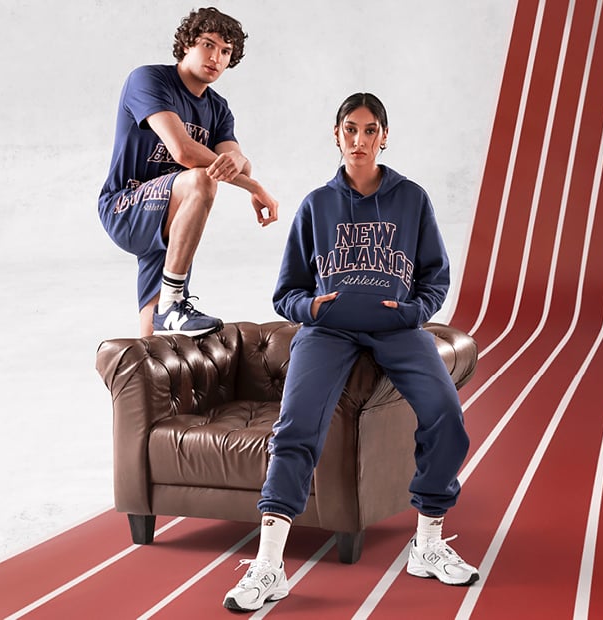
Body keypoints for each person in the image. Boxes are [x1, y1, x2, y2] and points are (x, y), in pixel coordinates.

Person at [222, 93, 479, 613]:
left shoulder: (413, 199)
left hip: (397, 329)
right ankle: (269, 565)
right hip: (328, 332)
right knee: (296, 426)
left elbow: (435, 276)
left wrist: (413, 311)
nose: (359, 140)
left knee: (446, 416)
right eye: (350, 129)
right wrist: (312, 308)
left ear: (384, 136)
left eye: (370, 130)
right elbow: (286, 293)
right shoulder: (317, 204)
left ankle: (428, 544)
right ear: (336, 135)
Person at [99, 7, 278, 338]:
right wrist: (254, 187)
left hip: (172, 212)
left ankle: (165, 311)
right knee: (201, 179)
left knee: (156, 341)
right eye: (208, 45)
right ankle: (172, 301)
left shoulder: (218, 108)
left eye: (225, 51)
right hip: (125, 205)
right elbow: (183, 151)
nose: (216, 58)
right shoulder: (149, 80)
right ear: (186, 44)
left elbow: (236, 161)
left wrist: (239, 161)